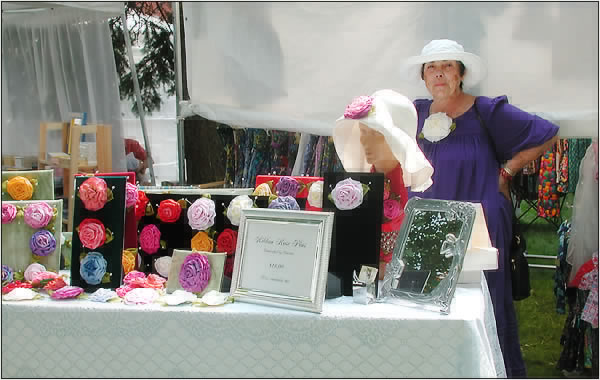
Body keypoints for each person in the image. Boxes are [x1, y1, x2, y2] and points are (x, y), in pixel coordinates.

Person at [402, 39, 559, 377]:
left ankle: (490, 369)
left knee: (484, 301)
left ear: (460, 74)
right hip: (428, 223)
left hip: (480, 223)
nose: (439, 73)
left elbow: (547, 134)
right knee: (425, 298)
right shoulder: (414, 113)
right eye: (432, 67)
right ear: (423, 77)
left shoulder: (486, 110)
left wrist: (506, 172)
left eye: (447, 66)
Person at [332, 89, 434, 279]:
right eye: (362, 132)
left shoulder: (396, 187)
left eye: (375, 134)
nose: (364, 141)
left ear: (397, 141)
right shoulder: (362, 184)